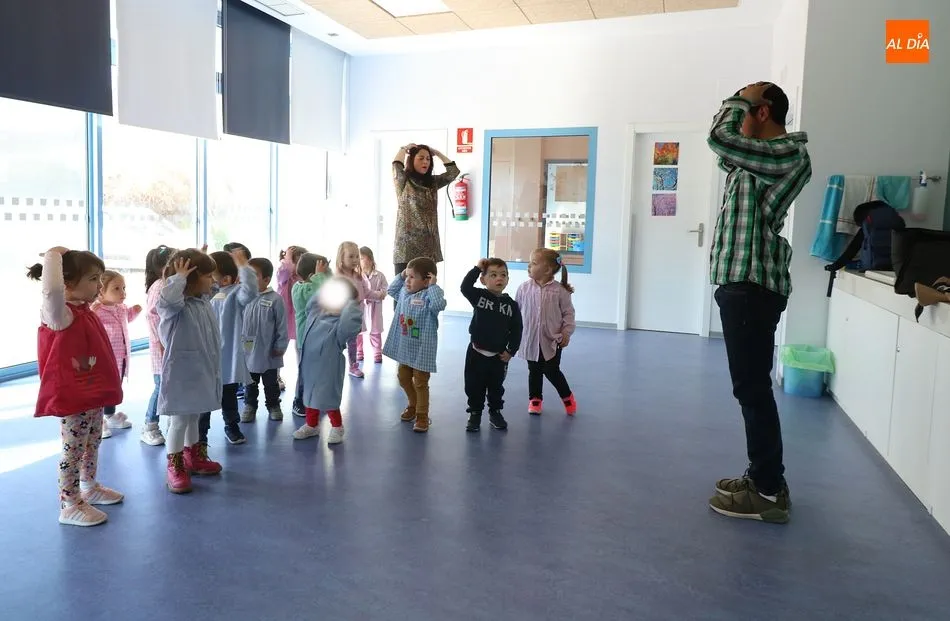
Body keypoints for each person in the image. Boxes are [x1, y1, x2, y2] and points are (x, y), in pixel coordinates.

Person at [705, 81, 811, 524]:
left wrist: (738, 101)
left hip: (752, 284)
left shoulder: (788, 153)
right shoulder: (758, 158)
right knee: (750, 388)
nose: (735, 113)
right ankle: (764, 476)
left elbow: (719, 137)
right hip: (741, 283)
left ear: (762, 112)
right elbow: (724, 148)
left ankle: (767, 493)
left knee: (751, 389)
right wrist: (738, 104)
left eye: (743, 107)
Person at [28, 246, 124, 526]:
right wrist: (52, 258)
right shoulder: (59, 314)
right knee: (73, 449)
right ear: (69, 283)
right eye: (93, 279)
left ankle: (88, 486)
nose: (99, 285)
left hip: (91, 394)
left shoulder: (84, 309)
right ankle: (69, 503)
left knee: (92, 442)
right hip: (73, 396)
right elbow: (51, 291)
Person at [156, 249, 223, 493]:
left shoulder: (202, 300)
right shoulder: (174, 306)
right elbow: (166, 299)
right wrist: (179, 277)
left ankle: (193, 456)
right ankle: (174, 465)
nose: (212, 281)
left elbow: (215, 288)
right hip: (182, 373)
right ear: (192, 279)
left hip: (201, 370)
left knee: (194, 414)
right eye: (207, 276)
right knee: (179, 419)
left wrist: (199, 259)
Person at [292, 278, 363, 444]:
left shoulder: (339, 327)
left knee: (329, 398)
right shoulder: (316, 314)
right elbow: (311, 304)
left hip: (329, 369)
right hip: (309, 366)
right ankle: (311, 425)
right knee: (309, 397)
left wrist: (352, 302)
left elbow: (351, 323)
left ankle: (337, 426)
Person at [383, 257, 446, 433]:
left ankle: (422, 415)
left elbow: (439, 305)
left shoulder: (430, 294)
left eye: (412, 277)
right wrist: (402, 274)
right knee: (403, 377)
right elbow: (391, 289)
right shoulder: (403, 291)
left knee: (420, 382)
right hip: (405, 348)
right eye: (407, 277)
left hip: (422, 349)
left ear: (426, 280)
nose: (407, 281)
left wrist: (432, 286)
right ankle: (413, 403)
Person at [461, 258, 523, 432]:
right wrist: (477, 268)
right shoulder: (479, 297)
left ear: (508, 279)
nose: (499, 279)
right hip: (476, 352)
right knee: (474, 385)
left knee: (496, 386)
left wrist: (511, 351)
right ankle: (475, 413)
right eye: (493, 275)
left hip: (498, 356)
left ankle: (495, 412)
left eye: (503, 275)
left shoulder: (512, 306)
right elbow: (465, 287)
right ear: (483, 280)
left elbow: (517, 329)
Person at [516, 248, 577, 416]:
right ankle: (535, 399)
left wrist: (566, 333)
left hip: (552, 340)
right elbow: (516, 312)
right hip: (531, 338)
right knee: (534, 370)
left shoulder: (560, 291)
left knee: (551, 370)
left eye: (534, 263)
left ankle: (567, 396)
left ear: (548, 270)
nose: (529, 266)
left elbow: (568, 314)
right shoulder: (523, 288)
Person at [209, 249, 259, 445]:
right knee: (204, 398)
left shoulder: (236, 295)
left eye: (211, 276)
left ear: (225, 279)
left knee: (228, 394)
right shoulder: (206, 295)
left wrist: (243, 267)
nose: (208, 281)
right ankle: (200, 437)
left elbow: (251, 290)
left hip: (227, 355)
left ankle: (231, 425)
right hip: (208, 356)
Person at [391, 143, 460, 277]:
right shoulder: (403, 181)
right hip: (406, 247)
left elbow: (453, 172)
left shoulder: (432, 182)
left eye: (428, 159)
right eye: (421, 158)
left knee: (427, 290)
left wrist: (437, 153)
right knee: (402, 292)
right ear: (412, 159)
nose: (425, 162)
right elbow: (396, 165)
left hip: (428, 246)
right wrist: (403, 149)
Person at [92, 270, 142, 438]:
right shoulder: (96, 310)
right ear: (101, 291)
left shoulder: (121, 308)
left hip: (121, 358)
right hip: (104, 360)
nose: (123, 293)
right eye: (116, 289)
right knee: (101, 390)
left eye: (123, 288)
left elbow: (126, 319)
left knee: (115, 387)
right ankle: (98, 422)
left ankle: (110, 415)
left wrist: (134, 311)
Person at [241, 257, 288, 423]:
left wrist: (280, 345)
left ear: (266, 279)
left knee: (271, 383)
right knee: (250, 382)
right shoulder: (244, 297)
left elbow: (282, 325)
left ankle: (273, 405)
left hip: (269, 350)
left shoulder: (275, 299)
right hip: (247, 348)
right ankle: (250, 405)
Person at [142, 245, 176, 446]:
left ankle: (171, 419)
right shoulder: (159, 286)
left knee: (169, 385)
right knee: (161, 386)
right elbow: (153, 316)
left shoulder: (169, 284)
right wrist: (163, 343)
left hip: (170, 346)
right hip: (162, 348)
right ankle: (150, 425)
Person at [290, 253, 331, 416]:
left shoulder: (315, 283)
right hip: (305, 340)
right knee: (304, 373)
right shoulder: (299, 289)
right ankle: (298, 401)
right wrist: (320, 276)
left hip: (318, 339)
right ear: (311, 276)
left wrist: (323, 273)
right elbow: (314, 294)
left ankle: (314, 399)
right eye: (320, 274)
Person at [335, 241, 370, 378]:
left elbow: (367, 292)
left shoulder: (358, 276)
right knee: (338, 342)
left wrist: (379, 294)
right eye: (351, 257)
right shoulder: (337, 277)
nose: (355, 260)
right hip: (341, 316)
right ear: (341, 258)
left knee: (353, 341)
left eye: (357, 256)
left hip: (355, 316)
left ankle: (353, 365)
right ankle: (335, 364)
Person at [356, 246, 388, 364]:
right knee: (358, 329)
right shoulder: (357, 275)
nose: (359, 261)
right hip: (361, 306)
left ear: (369, 259)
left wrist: (379, 295)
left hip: (376, 306)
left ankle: (377, 352)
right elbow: (361, 292)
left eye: (362, 258)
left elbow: (384, 290)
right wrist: (375, 294)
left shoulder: (379, 275)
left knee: (375, 329)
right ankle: (359, 350)